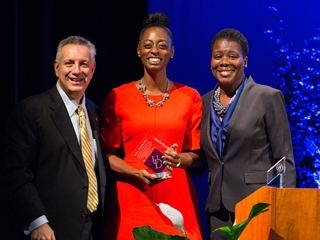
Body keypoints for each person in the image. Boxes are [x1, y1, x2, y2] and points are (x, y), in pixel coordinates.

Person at [100, 12, 203, 240]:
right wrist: (135, 172)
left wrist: (178, 160)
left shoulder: (190, 97)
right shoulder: (118, 96)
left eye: (162, 46)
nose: (154, 51)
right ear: (138, 50)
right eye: (147, 45)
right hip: (132, 195)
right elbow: (106, 155)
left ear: (172, 52)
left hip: (175, 195)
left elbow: (198, 155)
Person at [1, 36, 106, 240]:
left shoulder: (96, 113)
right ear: (57, 68)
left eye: (83, 64)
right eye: (69, 63)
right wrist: (37, 222)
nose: (76, 70)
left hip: (92, 230)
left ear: (92, 70)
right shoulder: (31, 110)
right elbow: (15, 173)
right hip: (50, 231)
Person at [200, 28, 296, 240]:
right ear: (210, 62)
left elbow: (284, 159)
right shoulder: (204, 102)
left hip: (256, 206)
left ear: (245, 61)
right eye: (218, 56)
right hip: (217, 210)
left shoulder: (267, 97)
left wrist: (284, 208)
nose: (224, 61)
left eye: (232, 56)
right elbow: (203, 158)